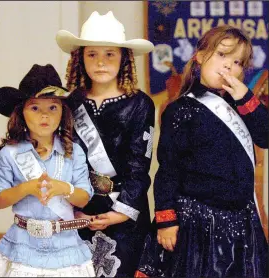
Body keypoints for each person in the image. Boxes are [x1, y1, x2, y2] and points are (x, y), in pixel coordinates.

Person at [135, 25, 268, 278]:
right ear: (199, 56)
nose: (229, 66)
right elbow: (168, 169)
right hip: (197, 224)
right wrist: (166, 220)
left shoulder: (243, 107)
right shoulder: (181, 109)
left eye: (238, 62)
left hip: (240, 223)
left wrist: (246, 97)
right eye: (221, 55)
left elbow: (265, 136)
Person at [56, 11, 155, 277]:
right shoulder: (69, 102)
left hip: (125, 213)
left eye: (109, 54)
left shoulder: (140, 103)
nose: (100, 62)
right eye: (92, 54)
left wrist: (120, 213)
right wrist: (72, 209)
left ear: (124, 57)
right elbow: (61, 159)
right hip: (79, 209)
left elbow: (139, 164)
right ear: (80, 58)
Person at [0, 64, 95, 277]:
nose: (44, 116)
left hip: (65, 244)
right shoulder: (10, 153)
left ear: (63, 113)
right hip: (24, 243)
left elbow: (83, 199)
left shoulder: (73, 151)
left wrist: (63, 188)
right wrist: (27, 187)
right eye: (35, 108)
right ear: (21, 113)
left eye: (53, 108)